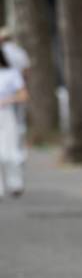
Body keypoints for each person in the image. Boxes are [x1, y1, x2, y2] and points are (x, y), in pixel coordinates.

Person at [0, 47, 28, 199]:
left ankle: (15, 183)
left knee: (9, 152)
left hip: (6, 114)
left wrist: (6, 100)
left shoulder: (11, 74)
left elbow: (23, 95)